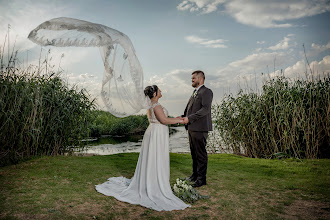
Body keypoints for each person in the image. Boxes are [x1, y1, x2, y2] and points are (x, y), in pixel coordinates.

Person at [95, 85, 190, 211]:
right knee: (156, 158)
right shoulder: (156, 106)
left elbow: (163, 119)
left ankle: (151, 180)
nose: (161, 91)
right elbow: (164, 120)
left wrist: (176, 118)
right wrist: (181, 121)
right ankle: (155, 185)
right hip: (157, 134)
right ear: (155, 94)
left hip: (154, 132)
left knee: (153, 158)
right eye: (159, 90)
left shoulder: (151, 105)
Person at [181, 70, 213, 188]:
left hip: (200, 128)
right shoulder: (195, 92)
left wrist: (189, 118)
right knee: (194, 153)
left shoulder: (207, 92)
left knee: (200, 154)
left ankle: (201, 179)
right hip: (192, 128)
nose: (192, 80)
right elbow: (190, 109)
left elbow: (205, 109)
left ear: (200, 79)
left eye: (193, 78)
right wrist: (184, 117)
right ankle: (194, 175)